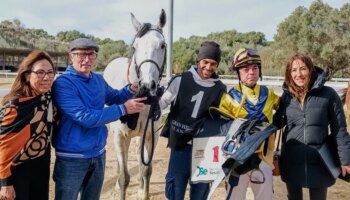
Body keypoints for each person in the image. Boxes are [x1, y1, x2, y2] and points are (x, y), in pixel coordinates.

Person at [52, 38, 146, 200]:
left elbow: (113, 97)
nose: (87, 59)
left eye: (91, 54)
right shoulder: (63, 83)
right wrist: (124, 109)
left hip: (98, 155)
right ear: (71, 56)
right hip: (72, 158)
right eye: (81, 55)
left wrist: (130, 89)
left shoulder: (97, 79)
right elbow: (85, 117)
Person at [273, 53, 350, 200]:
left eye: (303, 69)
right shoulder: (287, 97)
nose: (298, 74)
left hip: (320, 160)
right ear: (289, 74)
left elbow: (339, 130)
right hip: (291, 160)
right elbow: (275, 123)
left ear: (311, 70)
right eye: (294, 70)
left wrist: (346, 159)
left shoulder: (328, 95)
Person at [159, 41, 226, 200]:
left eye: (213, 63)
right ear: (198, 61)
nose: (209, 67)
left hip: (205, 149)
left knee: (200, 193)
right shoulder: (180, 80)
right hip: (181, 147)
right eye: (206, 62)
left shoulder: (220, 88)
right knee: (175, 190)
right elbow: (161, 104)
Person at [213, 48, 280, 200]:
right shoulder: (229, 98)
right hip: (237, 158)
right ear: (238, 72)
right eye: (245, 69)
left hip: (263, 158)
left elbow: (286, 108)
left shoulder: (269, 94)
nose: (251, 72)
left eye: (255, 68)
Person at [0, 50, 56, 200]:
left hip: (41, 165)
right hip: (16, 170)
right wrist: (5, 183)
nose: (46, 77)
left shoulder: (47, 98)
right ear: (27, 75)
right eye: (40, 72)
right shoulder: (15, 106)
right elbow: (3, 146)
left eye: (51, 72)